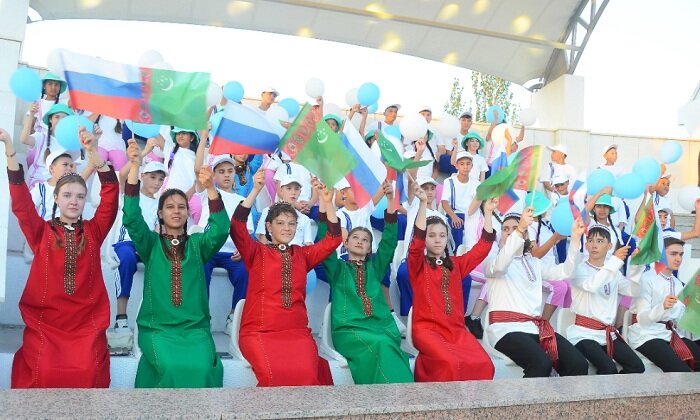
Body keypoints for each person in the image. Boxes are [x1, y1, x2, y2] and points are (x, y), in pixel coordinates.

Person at [2, 126, 118, 388]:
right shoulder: (41, 232)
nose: (74, 201)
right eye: (67, 195)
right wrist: (10, 149)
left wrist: (94, 153)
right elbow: (21, 203)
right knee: (44, 371)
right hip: (46, 326)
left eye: (80, 196)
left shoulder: (94, 231)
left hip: (85, 327)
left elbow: (111, 197)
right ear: (56, 197)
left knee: (89, 371)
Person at [123, 139, 229, 388]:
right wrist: (135, 167)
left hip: (195, 330)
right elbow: (132, 218)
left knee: (203, 367)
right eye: (169, 207)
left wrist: (210, 189)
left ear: (187, 213)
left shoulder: (197, 245)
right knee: (171, 366)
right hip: (158, 329)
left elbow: (221, 229)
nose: (176, 211)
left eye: (182, 207)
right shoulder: (151, 244)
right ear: (160, 214)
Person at [230, 170, 342, 386]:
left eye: (291, 224)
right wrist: (255, 190)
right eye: (280, 223)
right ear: (268, 227)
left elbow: (333, 239)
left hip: (297, 334)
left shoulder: (302, 255)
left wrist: (328, 203)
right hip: (260, 332)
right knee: (273, 378)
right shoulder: (256, 252)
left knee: (308, 377)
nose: (287, 228)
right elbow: (237, 227)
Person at [318, 181, 413, 384]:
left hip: (380, 328)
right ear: (345, 243)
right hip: (349, 330)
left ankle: (400, 395)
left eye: (365, 239)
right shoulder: (338, 269)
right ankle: (392, 394)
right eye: (355, 238)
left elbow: (389, 242)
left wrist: (391, 201)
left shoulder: (375, 268)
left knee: (389, 345)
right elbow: (324, 244)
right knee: (380, 344)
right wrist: (325, 204)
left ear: (370, 248)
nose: (360, 241)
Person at [484, 209, 589, 378]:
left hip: (534, 328)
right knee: (541, 364)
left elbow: (565, 272)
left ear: (526, 236)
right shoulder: (493, 261)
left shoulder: (534, 263)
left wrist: (575, 240)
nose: (510, 232)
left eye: (515, 228)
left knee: (578, 364)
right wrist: (520, 229)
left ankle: (559, 397)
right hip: (505, 329)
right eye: (505, 229)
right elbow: (500, 266)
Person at [408, 187, 497, 382]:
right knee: (450, 363)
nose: (437, 240)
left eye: (442, 235)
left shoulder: (456, 264)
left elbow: (482, 248)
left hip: (457, 331)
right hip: (427, 331)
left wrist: (488, 213)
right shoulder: (418, 265)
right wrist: (423, 204)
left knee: (485, 364)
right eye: (432, 235)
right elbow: (416, 242)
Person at [567, 226, 645, 374]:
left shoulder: (613, 272)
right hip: (584, 334)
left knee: (637, 366)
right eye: (590, 240)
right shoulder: (578, 269)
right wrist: (614, 261)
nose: (594, 245)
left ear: (609, 246)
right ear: (586, 245)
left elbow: (634, 290)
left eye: (600, 241)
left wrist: (636, 265)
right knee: (608, 369)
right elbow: (591, 285)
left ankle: (617, 390)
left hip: (607, 334)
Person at [628, 237, 700, 372]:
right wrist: (662, 307)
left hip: (670, 333)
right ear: (660, 254)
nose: (678, 258)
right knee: (681, 371)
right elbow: (642, 319)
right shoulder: (646, 278)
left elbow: (680, 319)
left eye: (681, 254)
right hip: (646, 335)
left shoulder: (678, 284)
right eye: (673, 254)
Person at [197, 155, 250, 335]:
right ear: (214, 175)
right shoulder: (207, 193)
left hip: (231, 252)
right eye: (221, 172)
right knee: (200, 268)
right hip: (210, 248)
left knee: (245, 271)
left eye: (229, 171)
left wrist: (242, 249)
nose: (226, 175)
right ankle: (203, 316)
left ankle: (234, 317)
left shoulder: (242, 200)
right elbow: (198, 174)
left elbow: (246, 231)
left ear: (235, 173)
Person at [112, 160, 167, 333]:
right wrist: (136, 159)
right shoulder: (129, 194)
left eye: (160, 179)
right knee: (127, 259)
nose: (157, 182)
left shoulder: (160, 205)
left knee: (165, 262)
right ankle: (121, 317)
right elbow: (122, 175)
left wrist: (148, 246)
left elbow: (158, 230)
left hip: (146, 243)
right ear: (142, 176)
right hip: (126, 242)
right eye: (153, 177)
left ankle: (156, 316)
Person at [21, 103, 74, 188]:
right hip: (38, 184)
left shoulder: (70, 143)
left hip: (59, 185)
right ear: (50, 119)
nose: (60, 120)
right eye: (57, 117)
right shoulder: (41, 136)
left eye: (64, 118)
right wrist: (31, 115)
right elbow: (24, 139)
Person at [441, 151, 480, 248]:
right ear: (456, 166)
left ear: (472, 166)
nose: (465, 167)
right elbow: (444, 202)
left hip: (471, 216)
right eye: (462, 164)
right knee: (456, 226)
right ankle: (456, 253)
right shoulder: (449, 181)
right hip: (455, 214)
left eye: (468, 164)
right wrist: (453, 216)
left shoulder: (476, 183)